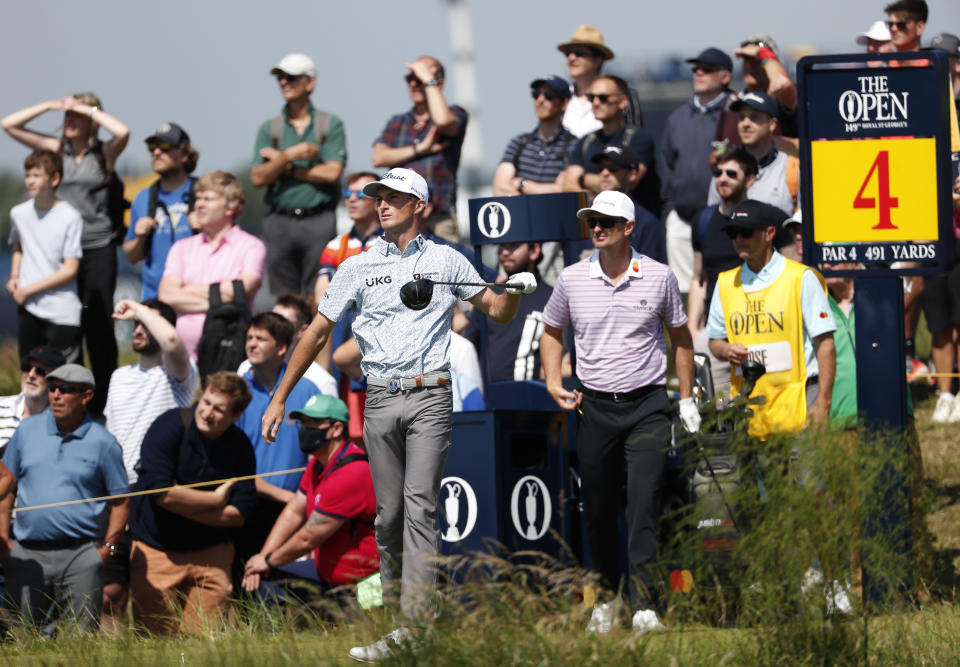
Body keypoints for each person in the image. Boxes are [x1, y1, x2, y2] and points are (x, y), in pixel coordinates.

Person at [261, 167, 536, 661]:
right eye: (379, 197)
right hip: (379, 399)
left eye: (394, 197)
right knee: (388, 519)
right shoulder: (358, 266)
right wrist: (281, 396)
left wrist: (513, 290)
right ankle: (399, 624)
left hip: (431, 395)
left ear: (420, 206)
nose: (382, 204)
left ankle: (417, 626)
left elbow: (496, 311)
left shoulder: (448, 259)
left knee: (420, 505)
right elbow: (317, 332)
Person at [540, 189, 699, 634]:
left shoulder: (659, 276)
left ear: (629, 228)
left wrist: (685, 398)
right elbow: (552, 331)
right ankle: (607, 599)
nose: (597, 227)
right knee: (600, 507)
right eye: (593, 220)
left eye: (607, 221)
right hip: (595, 407)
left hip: (648, 403)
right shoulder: (572, 279)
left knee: (644, 502)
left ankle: (646, 604)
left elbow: (680, 338)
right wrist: (554, 380)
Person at [2, 93, 130, 416]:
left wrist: (87, 109)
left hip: (96, 246)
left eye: (76, 117)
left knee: (98, 326)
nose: (69, 121)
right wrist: (49, 106)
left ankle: (101, 406)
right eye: (67, 117)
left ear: (90, 120)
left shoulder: (102, 154)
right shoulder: (54, 150)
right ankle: (58, 403)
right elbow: (9, 125)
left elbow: (123, 132)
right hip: (59, 250)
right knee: (63, 328)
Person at [0, 364, 128, 633]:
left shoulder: (104, 442)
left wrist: (107, 549)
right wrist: (4, 542)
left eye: (66, 389)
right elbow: (7, 485)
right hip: (26, 551)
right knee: (19, 638)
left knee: (80, 642)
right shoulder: (26, 431)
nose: (56, 394)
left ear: (87, 396)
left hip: (82, 553)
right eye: (54, 387)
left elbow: (122, 500)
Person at [129, 371, 256, 635]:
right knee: (155, 639)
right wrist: (214, 500)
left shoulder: (241, 446)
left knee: (205, 641)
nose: (207, 413)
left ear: (235, 416)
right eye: (206, 402)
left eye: (219, 409)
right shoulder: (168, 426)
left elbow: (239, 514)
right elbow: (160, 493)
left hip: (212, 554)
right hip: (157, 549)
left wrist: (181, 504)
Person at [707, 200, 836, 439]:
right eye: (733, 233)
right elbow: (714, 341)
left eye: (746, 232)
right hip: (751, 402)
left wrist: (823, 405)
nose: (738, 239)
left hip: (803, 396)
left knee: (806, 476)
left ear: (769, 233)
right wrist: (726, 350)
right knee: (763, 476)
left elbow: (825, 343)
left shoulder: (801, 277)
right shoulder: (725, 283)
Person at [242, 394, 378, 599]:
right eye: (303, 423)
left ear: (337, 429)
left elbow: (308, 537)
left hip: (360, 585)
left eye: (313, 423)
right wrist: (263, 556)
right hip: (326, 574)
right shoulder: (317, 464)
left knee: (269, 580)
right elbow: (294, 512)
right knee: (265, 584)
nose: (305, 429)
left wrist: (269, 561)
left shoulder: (351, 473)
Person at [250, 53, 346, 297]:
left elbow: (333, 172)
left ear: (310, 83)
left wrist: (283, 166)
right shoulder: (269, 128)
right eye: (280, 78)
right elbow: (258, 178)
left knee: (320, 294)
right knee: (285, 299)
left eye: (290, 77)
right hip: (278, 221)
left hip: (318, 220)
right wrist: (290, 155)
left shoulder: (329, 124)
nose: (283, 82)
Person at [235, 312, 320, 563]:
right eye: (249, 337)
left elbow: (319, 453)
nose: (251, 344)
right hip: (246, 506)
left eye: (260, 338)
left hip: (294, 510)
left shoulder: (306, 390)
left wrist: (302, 500)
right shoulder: (237, 392)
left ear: (281, 348)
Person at [158, 170, 266, 360]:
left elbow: (242, 290)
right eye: (198, 198)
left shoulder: (252, 246)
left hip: (229, 354)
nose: (198, 204)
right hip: (181, 359)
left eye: (207, 199)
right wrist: (220, 303)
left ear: (231, 207)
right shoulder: (181, 248)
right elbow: (166, 295)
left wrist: (186, 290)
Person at [659, 47, 735, 293]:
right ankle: (687, 332)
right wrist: (670, 209)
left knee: (724, 285)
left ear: (725, 77)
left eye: (708, 69)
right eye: (696, 69)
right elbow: (667, 165)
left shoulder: (736, 113)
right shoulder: (678, 117)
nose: (699, 73)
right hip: (681, 216)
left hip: (721, 215)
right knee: (682, 290)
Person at [372, 56, 468, 243]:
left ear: (438, 82)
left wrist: (429, 81)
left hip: (439, 218)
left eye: (420, 78)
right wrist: (421, 148)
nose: (414, 84)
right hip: (400, 216)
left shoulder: (456, 113)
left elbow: (442, 121)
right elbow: (378, 157)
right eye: (410, 79)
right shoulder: (397, 122)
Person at [688, 148, 758, 395]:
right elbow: (699, 278)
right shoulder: (703, 221)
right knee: (716, 418)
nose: (723, 178)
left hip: (758, 329)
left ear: (750, 180)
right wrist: (694, 330)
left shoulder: (766, 219)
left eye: (731, 173)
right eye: (718, 172)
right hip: (714, 334)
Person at [6, 149, 83, 363]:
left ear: (55, 178)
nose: (30, 181)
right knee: (29, 374)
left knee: (63, 379)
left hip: (62, 311)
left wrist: (28, 289)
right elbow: (19, 245)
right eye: (28, 175)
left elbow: (70, 269)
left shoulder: (70, 217)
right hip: (29, 307)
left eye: (37, 175)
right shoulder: (18, 213)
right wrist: (14, 276)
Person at [123, 122, 201, 300]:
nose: (157, 152)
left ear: (185, 154)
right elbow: (132, 257)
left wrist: (206, 229)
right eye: (153, 147)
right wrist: (140, 237)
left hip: (195, 297)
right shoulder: (143, 198)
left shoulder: (204, 192)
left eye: (165, 146)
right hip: (154, 299)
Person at [464, 241, 553, 383]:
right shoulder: (489, 296)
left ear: (534, 250)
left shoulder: (552, 297)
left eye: (513, 246)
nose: (504, 253)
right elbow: (470, 348)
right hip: (488, 398)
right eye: (501, 247)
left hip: (533, 397)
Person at [563, 76, 657, 206]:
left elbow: (626, 183)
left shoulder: (638, 138)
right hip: (597, 222)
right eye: (591, 97)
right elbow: (568, 185)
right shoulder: (586, 141)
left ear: (622, 101)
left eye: (603, 98)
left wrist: (582, 179)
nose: (595, 103)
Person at [707, 92, 795, 215]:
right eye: (742, 117)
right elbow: (713, 218)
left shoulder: (791, 169)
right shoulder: (724, 169)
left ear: (772, 124)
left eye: (754, 117)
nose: (745, 124)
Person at [238, 293, 337, 396]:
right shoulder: (246, 368)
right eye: (271, 320)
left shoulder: (321, 381)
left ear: (303, 330)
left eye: (283, 323)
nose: (270, 328)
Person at [493, 76, 575, 196]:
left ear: (565, 103)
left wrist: (521, 184)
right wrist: (552, 189)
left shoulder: (575, 145)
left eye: (549, 95)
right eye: (536, 94)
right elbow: (499, 189)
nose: (540, 100)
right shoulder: (519, 143)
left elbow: (568, 190)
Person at [715, 34, 798, 142]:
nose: (751, 65)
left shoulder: (780, 100)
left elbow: (783, 82)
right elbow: (719, 147)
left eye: (757, 60)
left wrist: (763, 54)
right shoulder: (731, 102)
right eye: (746, 59)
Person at [592, 146, 665, 263]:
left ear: (632, 174)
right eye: (600, 168)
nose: (605, 173)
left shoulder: (647, 222)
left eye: (613, 168)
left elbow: (651, 273)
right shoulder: (584, 214)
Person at [0, 346, 67, 456]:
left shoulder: (62, 422)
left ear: (57, 380)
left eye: (40, 371)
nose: (31, 375)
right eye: (27, 368)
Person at [556, 25, 614, 138]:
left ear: (598, 60)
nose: (572, 58)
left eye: (580, 53)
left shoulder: (616, 98)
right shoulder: (559, 98)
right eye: (568, 53)